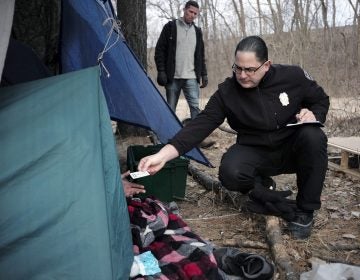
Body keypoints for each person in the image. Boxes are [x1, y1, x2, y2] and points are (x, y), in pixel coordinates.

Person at [138, 36, 330, 239]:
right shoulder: (227, 92)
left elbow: (320, 100)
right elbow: (200, 126)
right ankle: (260, 188)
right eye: (237, 68)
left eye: (249, 69)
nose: (242, 75)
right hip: (254, 149)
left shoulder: (293, 76)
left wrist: (313, 114)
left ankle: (305, 210)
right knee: (230, 171)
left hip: (291, 148)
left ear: (266, 65)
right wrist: (162, 155)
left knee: (313, 136)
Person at [155, 0, 208, 120]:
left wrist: (204, 74)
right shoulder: (170, 27)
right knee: (170, 108)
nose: (193, 15)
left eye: (195, 13)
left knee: (195, 108)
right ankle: (170, 136)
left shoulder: (197, 32)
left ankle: (194, 137)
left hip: (192, 77)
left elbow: (200, 55)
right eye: (190, 12)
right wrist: (161, 71)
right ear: (184, 10)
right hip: (173, 77)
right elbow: (160, 51)